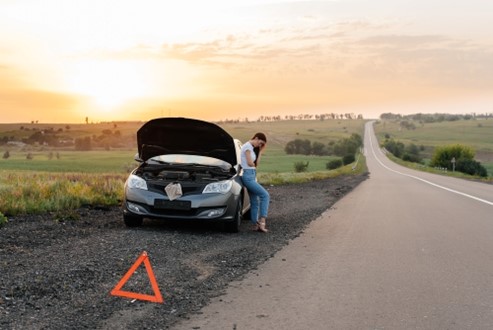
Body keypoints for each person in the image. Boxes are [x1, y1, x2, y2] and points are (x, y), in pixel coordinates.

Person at [240, 132, 270, 233]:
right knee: (265, 195)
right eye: (260, 143)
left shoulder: (252, 148)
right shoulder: (247, 147)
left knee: (254, 201)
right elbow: (249, 163)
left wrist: (260, 151)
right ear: (256, 138)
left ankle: (255, 225)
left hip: (252, 175)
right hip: (248, 176)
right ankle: (262, 222)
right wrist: (252, 165)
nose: (259, 145)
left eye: (261, 145)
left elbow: (256, 164)